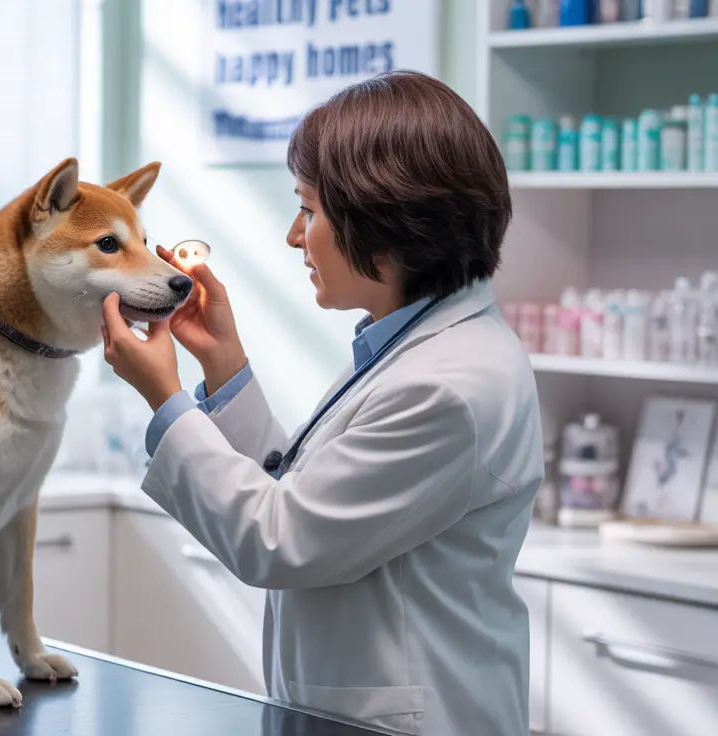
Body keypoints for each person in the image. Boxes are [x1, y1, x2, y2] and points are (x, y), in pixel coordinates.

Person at [99, 70, 542, 736]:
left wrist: (163, 396)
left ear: (383, 217)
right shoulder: (409, 347)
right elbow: (300, 492)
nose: (293, 235)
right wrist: (222, 364)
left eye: (309, 209)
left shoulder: (449, 386)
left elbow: (279, 542)